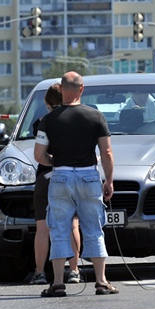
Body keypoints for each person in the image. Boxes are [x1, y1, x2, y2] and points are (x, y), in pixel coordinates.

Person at [34, 71, 117, 297]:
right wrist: (108, 180)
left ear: (61, 89)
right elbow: (106, 152)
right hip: (88, 176)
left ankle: (58, 283)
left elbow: (39, 155)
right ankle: (101, 281)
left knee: (59, 230)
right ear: (82, 89)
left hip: (60, 176)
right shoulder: (95, 116)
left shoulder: (48, 120)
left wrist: (54, 161)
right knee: (94, 229)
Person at [30, 83, 81, 285]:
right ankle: (74, 270)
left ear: (46, 102)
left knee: (43, 226)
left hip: (45, 176)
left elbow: (39, 153)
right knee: (72, 224)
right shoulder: (76, 121)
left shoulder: (42, 123)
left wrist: (51, 161)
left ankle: (40, 272)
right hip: (69, 175)